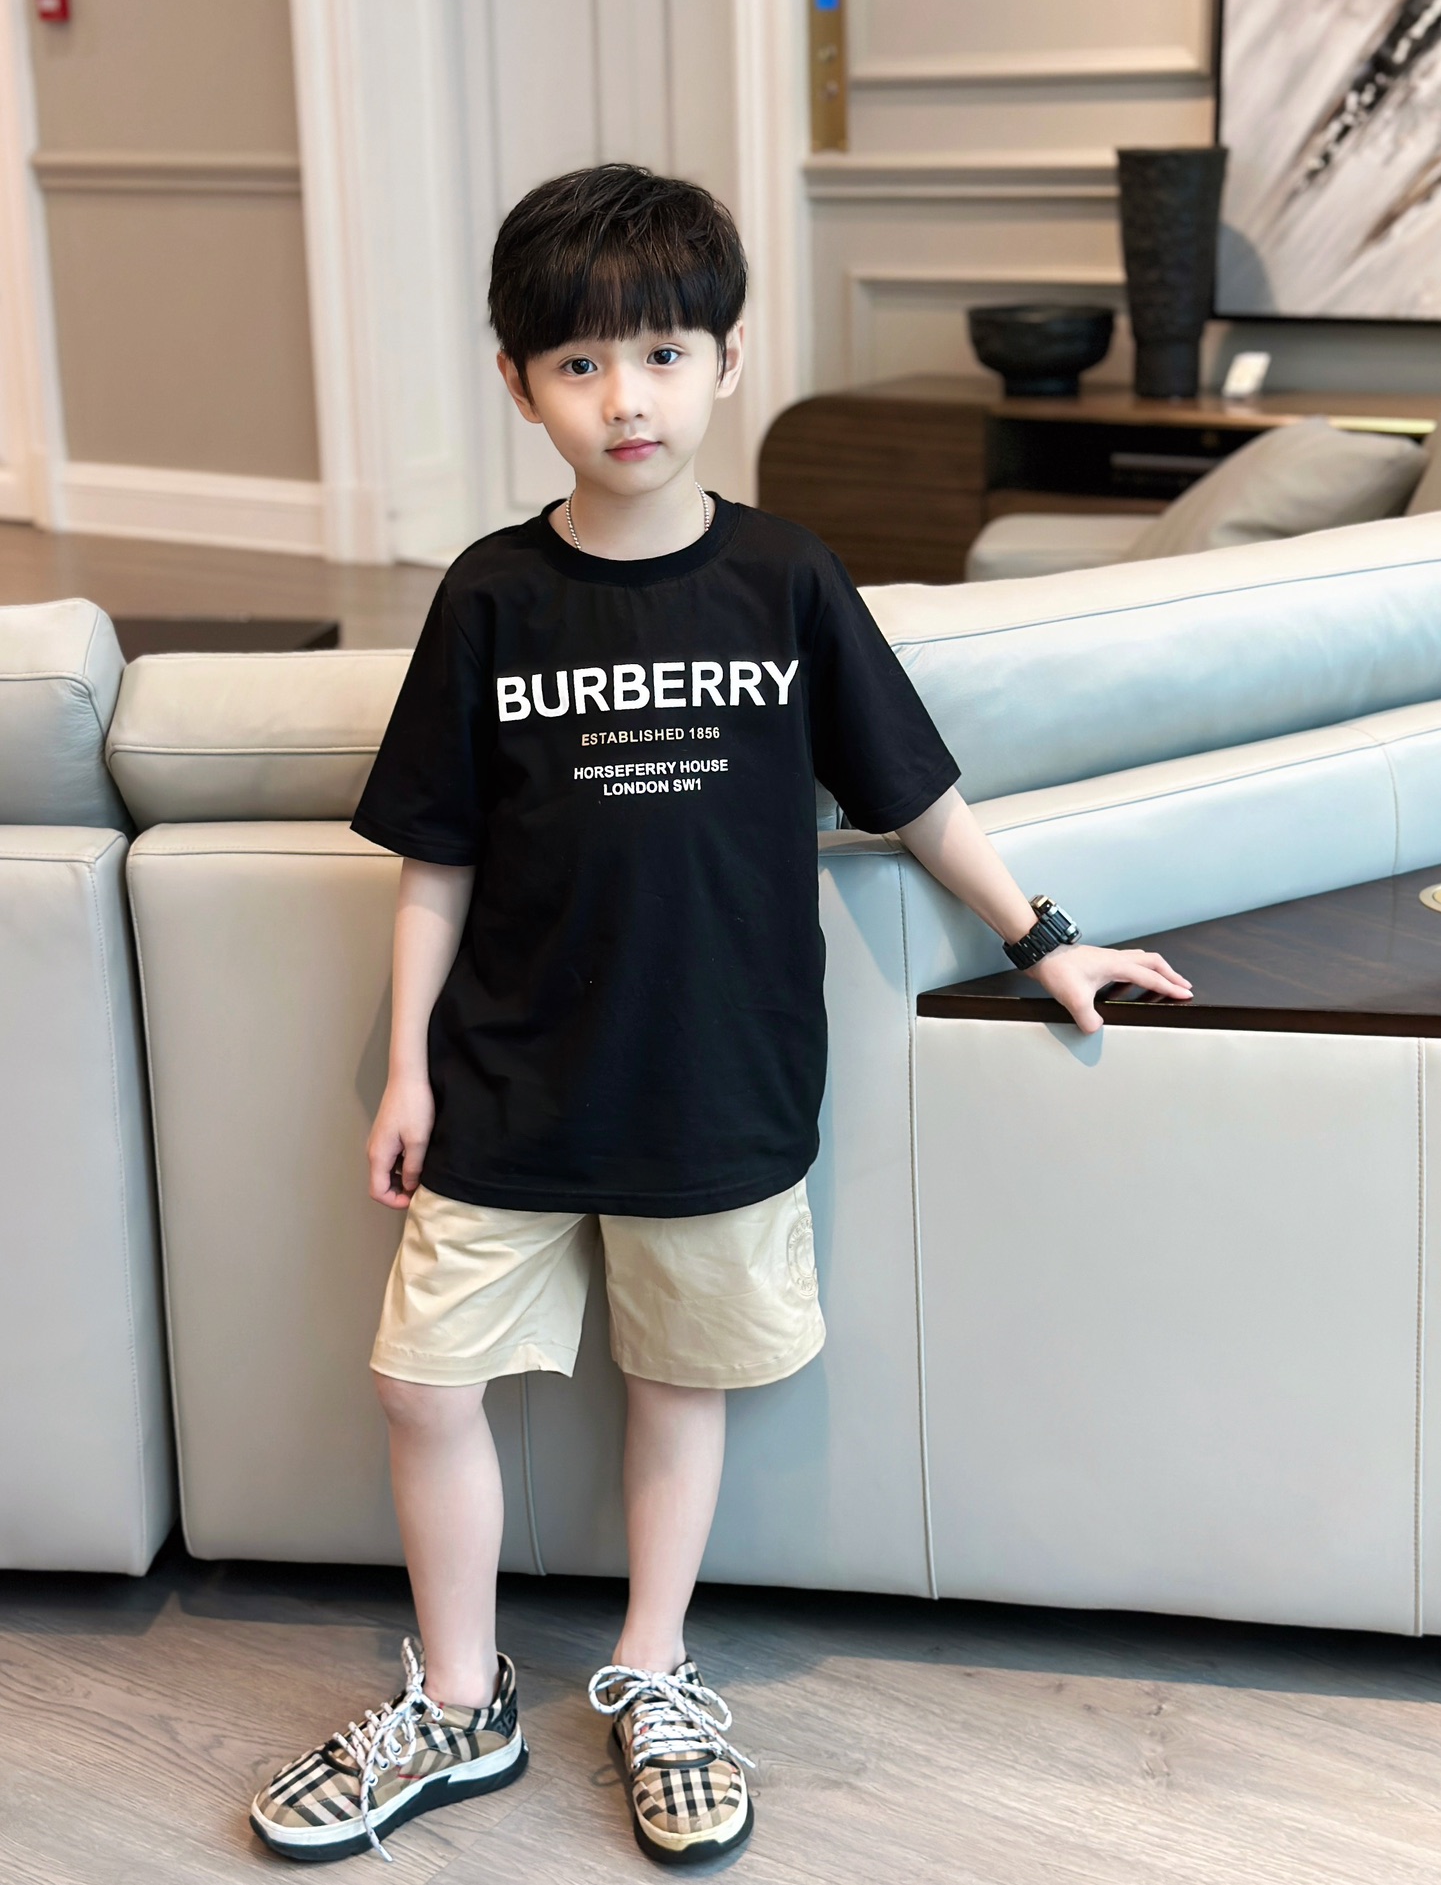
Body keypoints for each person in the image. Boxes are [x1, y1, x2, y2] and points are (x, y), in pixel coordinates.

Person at [248, 162, 1191, 1868]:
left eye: (663, 354)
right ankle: (457, 1702)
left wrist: (1044, 937)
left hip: (716, 1082)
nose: (626, 396)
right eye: (581, 363)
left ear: (726, 361)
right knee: (419, 1382)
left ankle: (652, 1671)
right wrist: (404, 1069)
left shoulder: (786, 578)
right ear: (519, 382)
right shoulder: (486, 596)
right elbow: (439, 859)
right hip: (505, 1085)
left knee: (679, 1379)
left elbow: (912, 795)